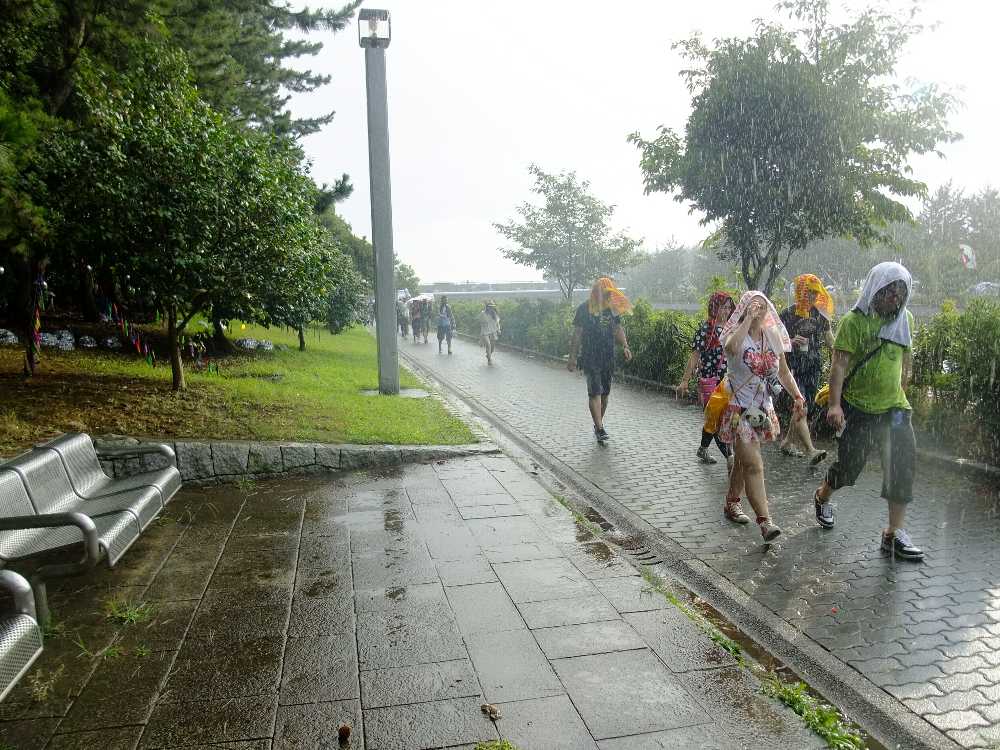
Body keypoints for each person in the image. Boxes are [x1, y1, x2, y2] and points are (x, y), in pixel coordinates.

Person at [812, 262, 923, 561]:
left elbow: (905, 361)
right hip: (859, 409)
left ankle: (893, 533)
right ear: (875, 289)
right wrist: (835, 405)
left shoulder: (906, 320)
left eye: (900, 293)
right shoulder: (854, 322)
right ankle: (823, 496)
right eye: (888, 292)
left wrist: (902, 390)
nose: (894, 299)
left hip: (896, 409)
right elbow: (839, 365)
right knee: (850, 468)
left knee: (902, 466)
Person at [718, 292, 807, 540]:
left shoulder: (772, 336)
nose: (760, 309)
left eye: (764, 305)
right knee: (754, 464)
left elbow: (784, 373)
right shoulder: (736, 335)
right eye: (754, 304)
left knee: (744, 460)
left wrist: (798, 396)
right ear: (744, 308)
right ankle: (765, 522)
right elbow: (731, 348)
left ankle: (731, 502)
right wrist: (747, 319)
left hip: (762, 410)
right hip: (739, 410)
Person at [777, 274, 835, 463]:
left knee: (804, 408)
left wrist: (841, 357)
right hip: (793, 369)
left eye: (814, 293)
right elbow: (773, 339)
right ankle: (811, 450)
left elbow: (829, 339)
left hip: (813, 367)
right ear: (800, 291)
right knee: (800, 406)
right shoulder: (787, 314)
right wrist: (790, 342)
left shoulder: (819, 314)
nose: (811, 296)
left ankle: (787, 442)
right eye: (808, 292)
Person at [567, 277, 633, 443]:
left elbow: (618, 328)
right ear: (595, 292)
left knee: (604, 395)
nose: (605, 295)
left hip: (608, 357)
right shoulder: (584, 309)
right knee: (595, 392)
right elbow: (577, 334)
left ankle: (598, 426)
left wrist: (625, 346)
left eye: (608, 293)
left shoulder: (612, 309)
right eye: (603, 292)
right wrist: (572, 357)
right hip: (590, 356)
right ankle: (600, 427)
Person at [676, 292, 736, 466]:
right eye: (722, 307)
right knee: (715, 420)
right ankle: (730, 458)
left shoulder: (733, 328)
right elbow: (694, 356)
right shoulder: (707, 329)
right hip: (709, 382)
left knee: (721, 418)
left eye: (728, 307)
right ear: (714, 308)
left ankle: (703, 448)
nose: (726, 311)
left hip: (729, 382)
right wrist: (685, 381)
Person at [479, 300, 502, 365]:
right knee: (488, 345)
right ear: (487, 307)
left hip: (493, 331)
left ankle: (488, 355)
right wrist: (481, 338)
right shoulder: (483, 314)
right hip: (485, 331)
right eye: (490, 307)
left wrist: (499, 330)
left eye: (492, 307)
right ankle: (489, 360)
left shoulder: (495, 314)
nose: (491, 308)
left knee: (492, 347)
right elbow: (481, 324)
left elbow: (498, 323)